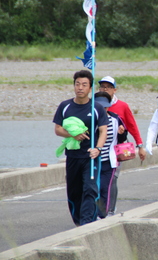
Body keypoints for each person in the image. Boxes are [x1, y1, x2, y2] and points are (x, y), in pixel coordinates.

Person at [53, 70, 109, 226]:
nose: (80, 88)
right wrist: (72, 135)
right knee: (74, 191)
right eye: (77, 84)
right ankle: (78, 222)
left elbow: (103, 130)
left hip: (91, 157)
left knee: (90, 189)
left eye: (84, 85)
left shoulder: (97, 107)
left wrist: (98, 148)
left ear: (90, 88)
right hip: (72, 157)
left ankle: (86, 223)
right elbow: (58, 129)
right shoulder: (65, 106)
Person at [97, 76, 146, 216]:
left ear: (114, 89)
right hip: (98, 151)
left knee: (112, 180)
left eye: (108, 87)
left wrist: (140, 145)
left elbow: (132, 126)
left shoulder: (122, 106)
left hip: (116, 150)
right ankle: (99, 209)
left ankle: (110, 209)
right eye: (102, 86)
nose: (104, 89)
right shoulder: (96, 105)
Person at [93, 92, 127, 219]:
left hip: (109, 161)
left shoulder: (115, 119)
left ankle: (102, 215)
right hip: (94, 161)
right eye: (100, 106)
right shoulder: (91, 120)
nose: (103, 109)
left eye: (105, 107)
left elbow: (122, 139)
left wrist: (121, 133)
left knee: (104, 188)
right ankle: (92, 213)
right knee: (93, 188)